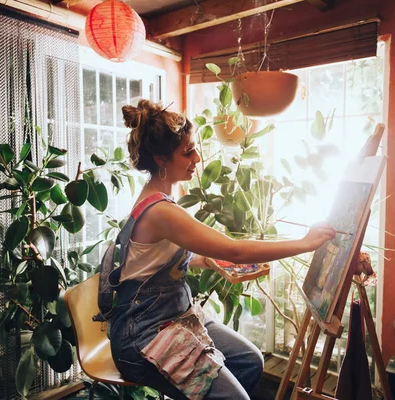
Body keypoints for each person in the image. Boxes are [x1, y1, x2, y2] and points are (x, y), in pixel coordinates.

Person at [108, 99, 336, 400]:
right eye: (188, 152)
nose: (197, 158)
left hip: (171, 317)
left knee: (250, 362)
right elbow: (236, 251)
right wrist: (305, 243)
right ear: (161, 158)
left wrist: (209, 261)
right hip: (142, 336)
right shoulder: (160, 211)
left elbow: (159, 260)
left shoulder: (160, 202)